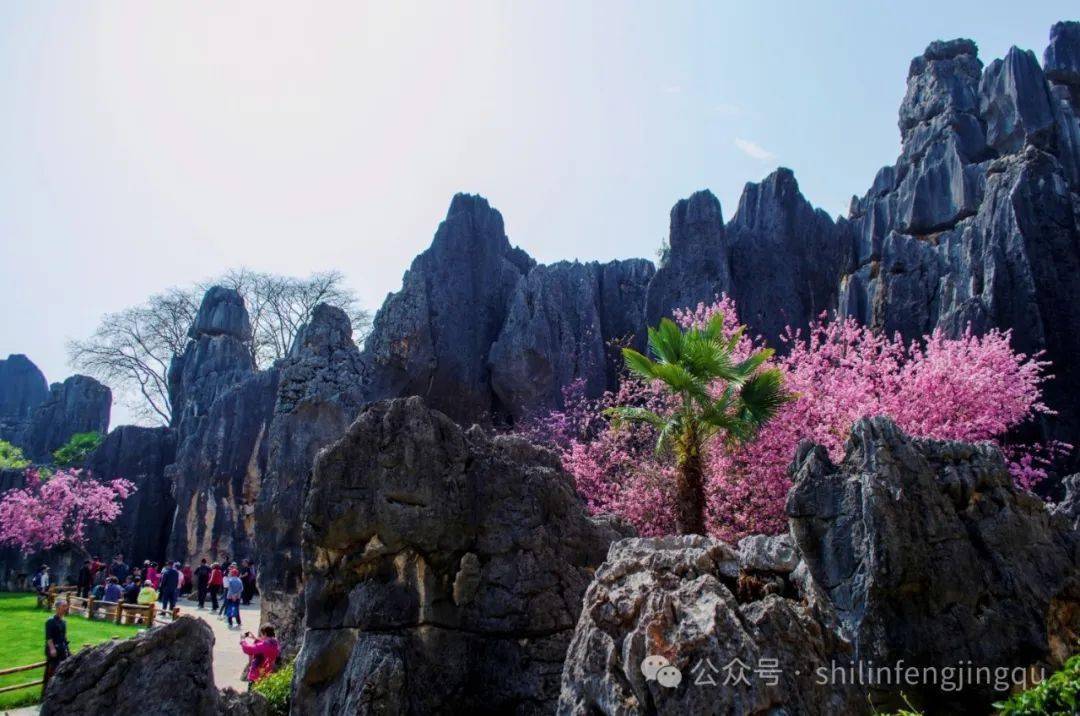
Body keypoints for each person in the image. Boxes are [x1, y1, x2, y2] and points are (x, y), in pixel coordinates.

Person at [43, 599, 70, 694]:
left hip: (62, 649)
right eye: (64, 606)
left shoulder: (64, 622)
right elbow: (49, 637)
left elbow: (64, 636)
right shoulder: (50, 621)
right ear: (58, 608)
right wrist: (52, 649)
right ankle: (47, 693)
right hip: (54, 650)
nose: (65, 608)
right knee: (52, 671)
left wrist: (68, 650)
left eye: (66, 606)